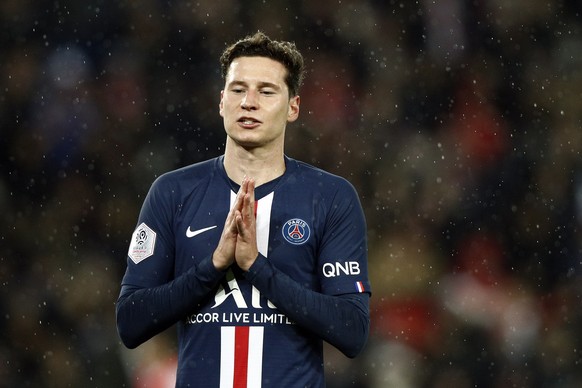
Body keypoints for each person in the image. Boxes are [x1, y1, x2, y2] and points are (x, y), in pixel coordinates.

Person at [116, 31, 371, 388]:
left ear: (293, 107)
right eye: (238, 90)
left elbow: (352, 330)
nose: (248, 102)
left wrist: (256, 267)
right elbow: (130, 322)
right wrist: (214, 266)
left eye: (266, 91)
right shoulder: (173, 192)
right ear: (222, 102)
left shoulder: (330, 197)